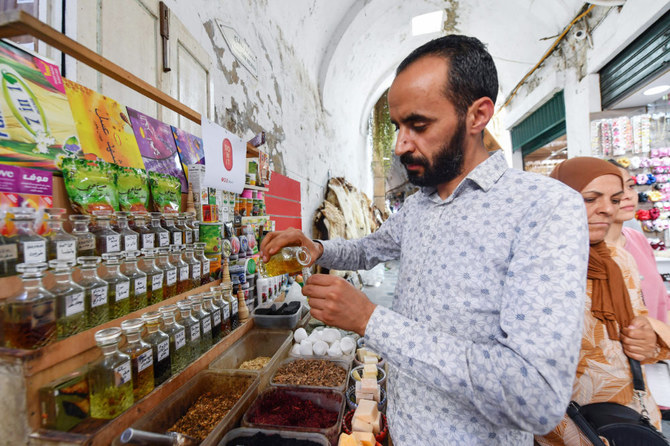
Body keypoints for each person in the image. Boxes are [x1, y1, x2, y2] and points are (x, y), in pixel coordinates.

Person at [261, 35, 589, 444]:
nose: (400, 145)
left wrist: (369, 319)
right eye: (397, 126)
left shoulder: (544, 209)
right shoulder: (419, 206)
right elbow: (368, 249)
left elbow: (535, 396)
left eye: (418, 125)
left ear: (477, 115)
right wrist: (318, 248)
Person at [536, 157, 668, 445]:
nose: (607, 209)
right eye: (590, 198)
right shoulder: (536, 264)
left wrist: (648, 338)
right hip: (565, 420)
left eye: (615, 199)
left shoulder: (619, 259)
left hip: (628, 412)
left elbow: (638, 324)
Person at [604, 162, 670, 323]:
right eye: (615, 190)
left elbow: (661, 301)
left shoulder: (637, 238)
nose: (627, 195)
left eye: (630, 186)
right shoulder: (585, 254)